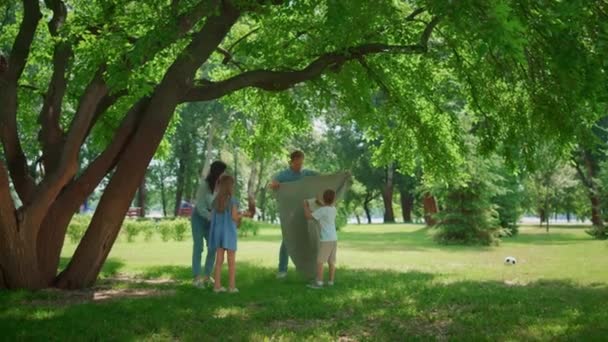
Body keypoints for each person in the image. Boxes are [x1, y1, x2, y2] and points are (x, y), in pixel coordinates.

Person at [270, 150, 319, 278]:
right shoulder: (283, 175)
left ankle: (306, 268)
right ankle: (282, 270)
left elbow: (323, 178)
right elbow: (272, 184)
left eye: (301, 163)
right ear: (291, 162)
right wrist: (275, 185)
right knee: (287, 240)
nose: (299, 166)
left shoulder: (307, 173)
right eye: (297, 163)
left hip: (305, 212)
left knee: (307, 240)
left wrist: (340, 176)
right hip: (290, 213)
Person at [209, 174, 253, 293]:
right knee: (231, 261)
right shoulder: (233, 200)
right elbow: (234, 217)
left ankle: (217, 286)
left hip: (218, 233)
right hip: (229, 233)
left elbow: (213, 217)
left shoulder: (216, 201)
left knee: (218, 260)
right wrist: (243, 214)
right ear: (230, 186)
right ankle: (232, 287)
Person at [191, 160, 227, 288]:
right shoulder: (204, 186)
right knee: (198, 247)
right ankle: (196, 278)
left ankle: (207, 276)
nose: (224, 174)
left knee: (212, 248)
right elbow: (200, 207)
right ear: (217, 172)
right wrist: (212, 218)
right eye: (223, 172)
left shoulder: (221, 186)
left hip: (212, 220)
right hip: (198, 219)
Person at [304, 189, 338, 289]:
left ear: (323, 198)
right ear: (334, 199)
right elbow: (325, 208)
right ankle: (331, 282)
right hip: (334, 239)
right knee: (331, 261)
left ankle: (319, 283)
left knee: (320, 261)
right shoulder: (333, 209)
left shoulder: (322, 210)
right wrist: (321, 202)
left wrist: (305, 206)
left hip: (326, 240)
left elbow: (308, 216)